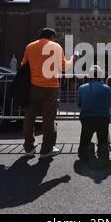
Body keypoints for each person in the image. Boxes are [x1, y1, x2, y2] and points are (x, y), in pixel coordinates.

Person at [21, 28, 77, 158]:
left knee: (29, 117)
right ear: (51, 36)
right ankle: (46, 150)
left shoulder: (30, 46)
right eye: (54, 38)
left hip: (33, 86)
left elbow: (23, 64)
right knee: (49, 119)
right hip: (50, 87)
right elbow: (65, 67)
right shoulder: (56, 47)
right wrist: (73, 58)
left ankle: (29, 147)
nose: (55, 40)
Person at [77, 65, 111, 169]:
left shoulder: (82, 88)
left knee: (85, 138)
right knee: (102, 137)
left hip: (87, 119)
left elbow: (79, 105)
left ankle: (86, 149)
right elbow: (108, 105)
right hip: (103, 119)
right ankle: (102, 149)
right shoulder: (107, 88)